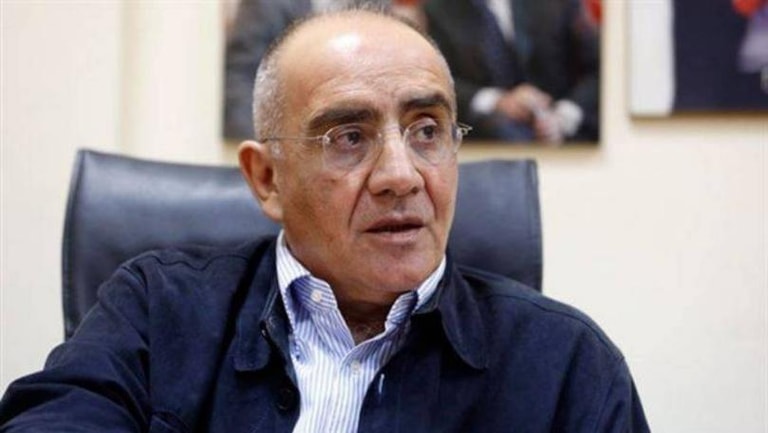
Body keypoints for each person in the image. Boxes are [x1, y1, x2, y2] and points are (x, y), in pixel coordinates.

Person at [0, 7, 649, 432]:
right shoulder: (155, 309)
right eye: (349, 137)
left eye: (427, 129)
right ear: (267, 178)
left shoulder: (567, 364)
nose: (401, 175)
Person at [423, 0, 601, 143]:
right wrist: (497, 101)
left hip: (567, 126)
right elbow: (436, 81)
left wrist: (563, 117)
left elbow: (600, 70)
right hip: (489, 133)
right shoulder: (440, 8)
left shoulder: (558, 4)